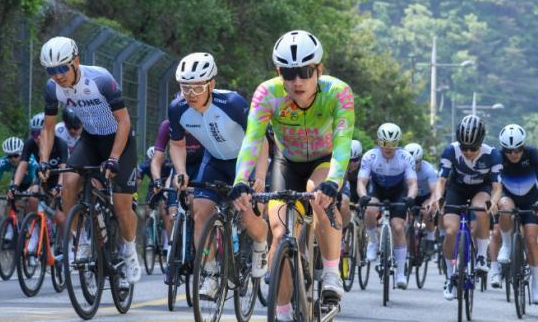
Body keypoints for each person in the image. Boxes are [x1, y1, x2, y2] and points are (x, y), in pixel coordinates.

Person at [232, 30, 355, 320]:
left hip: (324, 162)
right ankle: (283, 312)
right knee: (279, 233)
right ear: (279, 73)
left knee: (318, 194)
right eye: (289, 73)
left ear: (318, 70)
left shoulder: (338, 92)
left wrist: (334, 181)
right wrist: (240, 181)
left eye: (305, 72)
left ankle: (331, 274)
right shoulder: (267, 94)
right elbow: (252, 140)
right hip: (286, 162)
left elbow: (342, 144)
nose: (297, 81)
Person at [37, 36, 140, 283]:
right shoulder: (52, 88)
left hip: (119, 140)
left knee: (122, 206)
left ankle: (129, 250)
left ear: (76, 61)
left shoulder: (101, 79)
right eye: (51, 70)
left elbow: (124, 121)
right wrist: (43, 160)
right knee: (69, 184)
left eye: (62, 68)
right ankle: (81, 238)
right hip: (91, 139)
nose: (58, 75)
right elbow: (48, 128)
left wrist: (114, 158)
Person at [168, 52, 269, 298]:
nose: (190, 94)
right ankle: (211, 273)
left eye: (197, 87)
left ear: (211, 84)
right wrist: (181, 172)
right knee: (200, 212)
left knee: (248, 216)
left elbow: (260, 139)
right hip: (213, 161)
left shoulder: (232, 103)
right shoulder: (177, 109)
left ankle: (260, 245)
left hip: (244, 161)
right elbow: (177, 144)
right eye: (185, 88)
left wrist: (260, 176)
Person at [431, 115, 502, 300]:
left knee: (481, 208)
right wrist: (438, 197)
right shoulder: (450, 150)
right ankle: (449, 277)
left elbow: (497, 187)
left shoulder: (493, 154)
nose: (468, 152)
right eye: (464, 148)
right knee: (450, 231)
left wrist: (494, 202)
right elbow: (441, 180)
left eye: (473, 148)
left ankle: (481, 256)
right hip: (457, 188)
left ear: (481, 143)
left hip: (481, 188)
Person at [357, 123, 418, 289]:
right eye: (384, 143)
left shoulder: (406, 157)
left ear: (398, 143)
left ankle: (400, 273)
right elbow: (362, 182)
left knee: (398, 227)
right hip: (377, 188)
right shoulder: (370, 156)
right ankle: (373, 241)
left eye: (392, 144)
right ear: (378, 141)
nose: (388, 148)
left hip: (398, 191)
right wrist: (363, 196)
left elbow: (412, 183)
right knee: (370, 209)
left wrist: (411, 197)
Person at [490, 124, 538, 303]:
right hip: (509, 195)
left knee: (531, 240)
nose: (513, 154)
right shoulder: (497, 157)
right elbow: (494, 184)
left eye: (518, 149)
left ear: (524, 146)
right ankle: (506, 245)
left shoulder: (535, 154)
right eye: (509, 150)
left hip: (530, 200)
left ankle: (536, 285)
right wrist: (493, 202)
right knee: (505, 206)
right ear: (503, 148)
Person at [404, 142, 438, 256]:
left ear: (421, 160)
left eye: (416, 162)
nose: (413, 166)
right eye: (410, 162)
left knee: (427, 210)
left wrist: (431, 203)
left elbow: (434, 192)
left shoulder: (428, 170)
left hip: (426, 196)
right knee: (405, 219)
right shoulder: (402, 169)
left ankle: (430, 239)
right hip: (410, 196)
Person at [0, 137, 39, 207]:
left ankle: (32, 214)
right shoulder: (3, 162)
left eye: (16, 155)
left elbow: (35, 181)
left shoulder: (31, 161)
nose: (13, 159)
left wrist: (27, 192)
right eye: (9, 156)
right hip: (17, 184)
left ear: (22, 153)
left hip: (33, 183)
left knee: (32, 199)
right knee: (9, 201)